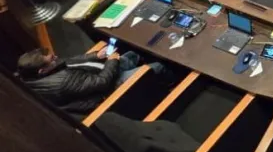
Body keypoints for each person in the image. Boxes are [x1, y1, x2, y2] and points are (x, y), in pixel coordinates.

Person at [17, 46, 166, 115]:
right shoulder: (61, 83)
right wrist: (111, 62)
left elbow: (67, 61)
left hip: (94, 75)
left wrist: (96, 55)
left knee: (131, 55)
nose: (56, 58)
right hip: (107, 90)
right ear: (42, 71)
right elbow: (102, 82)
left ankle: (148, 79)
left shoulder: (32, 76)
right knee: (156, 67)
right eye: (52, 59)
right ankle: (169, 84)